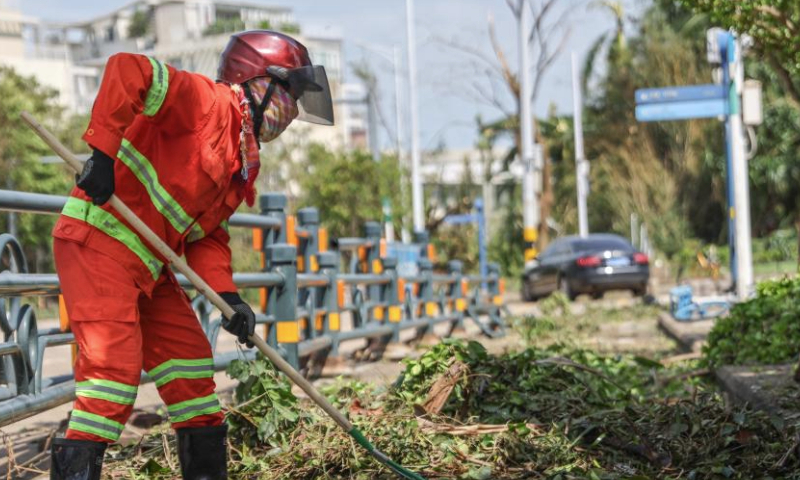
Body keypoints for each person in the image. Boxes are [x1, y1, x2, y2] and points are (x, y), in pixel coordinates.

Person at [49, 30, 333, 480]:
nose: (292, 112)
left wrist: (229, 299)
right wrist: (102, 155)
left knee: (193, 375)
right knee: (111, 380)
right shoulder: (207, 102)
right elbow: (128, 68)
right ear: (256, 82)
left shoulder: (239, 160)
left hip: (149, 263)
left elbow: (206, 238)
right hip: (98, 242)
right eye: (290, 96)